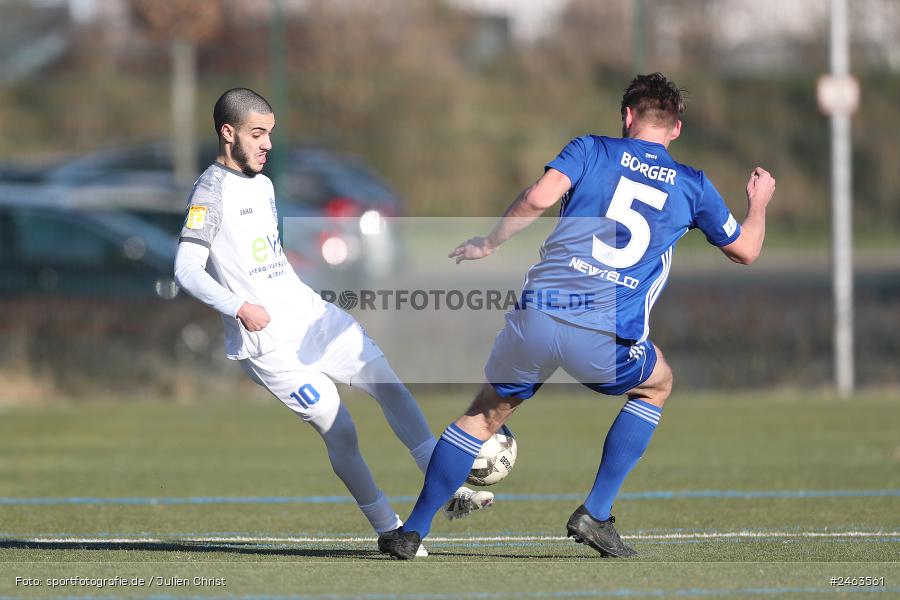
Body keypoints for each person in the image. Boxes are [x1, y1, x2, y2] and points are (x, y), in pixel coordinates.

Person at [378, 73, 776, 559]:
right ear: (676, 128)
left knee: (483, 415)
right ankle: (597, 513)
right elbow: (747, 250)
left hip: (540, 317)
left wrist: (488, 242)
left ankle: (412, 532)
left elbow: (539, 198)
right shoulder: (693, 185)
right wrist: (757, 205)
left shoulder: (590, 149)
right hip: (603, 338)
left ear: (626, 116)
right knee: (658, 383)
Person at [173, 88, 493, 555]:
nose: (266, 144)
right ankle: (388, 526)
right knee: (340, 428)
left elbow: (264, 257)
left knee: (388, 385)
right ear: (228, 133)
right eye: (257, 134)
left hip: (313, 316)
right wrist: (239, 307)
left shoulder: (263, 183)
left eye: (270, 134)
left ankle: (447, 486)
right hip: (268, 346)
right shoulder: (210, 192)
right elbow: (184, 268)